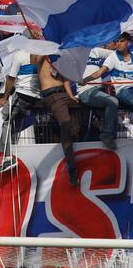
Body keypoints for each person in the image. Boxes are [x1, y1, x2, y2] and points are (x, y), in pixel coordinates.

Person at [0, 45, 41, 174]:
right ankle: (9, 147)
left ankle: (8, 157)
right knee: (14, 121)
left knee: (4, 119)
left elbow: (11, 78)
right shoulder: (43, 54)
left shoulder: (20, 54)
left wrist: (5, 97)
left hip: (22, 93)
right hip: (36, 96)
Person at [39, 55, 80, 186]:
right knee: (66, 128)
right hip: (53, 95)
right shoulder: (40, 54)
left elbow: (65, 79)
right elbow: (35, 58)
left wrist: (70, 95)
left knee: (74, 123)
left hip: (62, 94)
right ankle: (72, 170)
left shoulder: (59, 57)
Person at [76, 42, 118, 149]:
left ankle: (111, 140)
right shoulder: (72, 54)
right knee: (112, 102)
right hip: (86, 91)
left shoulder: (95, 50)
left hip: (98, 91)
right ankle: (107, 135)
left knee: (113, 115)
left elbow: (116, 55)